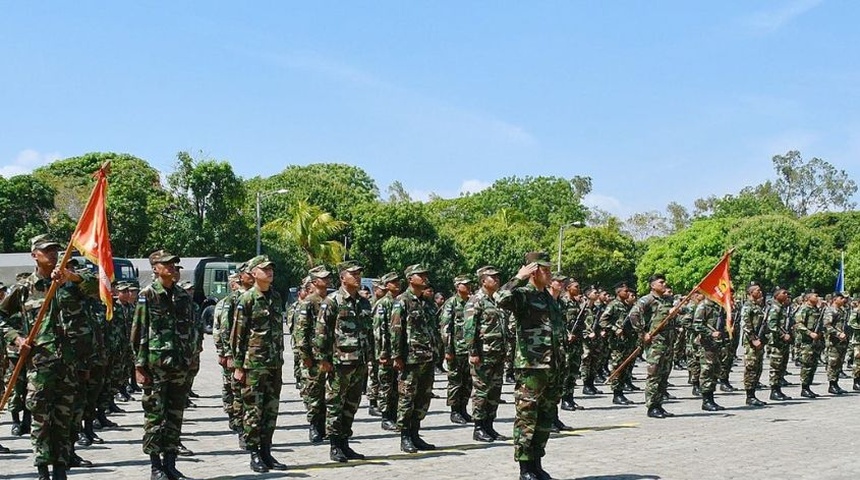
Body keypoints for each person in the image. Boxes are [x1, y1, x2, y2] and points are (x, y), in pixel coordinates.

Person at [0, 235, 98, 479]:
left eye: (55, 250)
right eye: (47, 251)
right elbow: (1, 318)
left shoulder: (71, 282)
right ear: (34, 255)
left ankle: (61, 469)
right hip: (40, 364)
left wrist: (71, 277)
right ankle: (43, 469)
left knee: (66, 419)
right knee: (41, 420)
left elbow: (99, 289)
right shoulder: (24, 288)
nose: (53, 254)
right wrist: (17, 338)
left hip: (70, 363)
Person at [495, 252, 565, 480]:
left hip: (551, 367)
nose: (550, 274)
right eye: (545, 270)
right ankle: (525, 468)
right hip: (531, 367)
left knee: (545, 417)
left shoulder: (548, 298)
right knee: (527, 418)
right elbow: (500, 298)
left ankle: (536, 463)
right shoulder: (523, 295)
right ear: (533, 271)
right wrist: (518, 277)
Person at [131, 250, 195, 480]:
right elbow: (138, 331)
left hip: (179, 365)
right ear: (155, 268)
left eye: (174, 265)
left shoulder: (182, 295)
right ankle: (155, 466)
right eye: (166, 264)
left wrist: (191, 356)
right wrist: (139, 366)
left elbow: (190, 328)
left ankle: (171, 463)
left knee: (175, 416)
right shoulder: (147, 295)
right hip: (156, 366)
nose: (172, 268)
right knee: (155, 418)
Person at [232, 255, 287, 473]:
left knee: (270, 410)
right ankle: (254, 453)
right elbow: (238, 335)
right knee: (253, 410)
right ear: (254, 273)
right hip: (253, 365)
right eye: (264, 269)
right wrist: (238, 366)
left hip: (274, 363)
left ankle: (266, 451)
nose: (269, 272)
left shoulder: (275, 297)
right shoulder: (247, 299)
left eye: (271, 269)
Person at [315, 260, 372, 462]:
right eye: (353, 274)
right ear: (342, 278)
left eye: (359, 274)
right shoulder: (333, 301)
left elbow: (368, 332)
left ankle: (345, 442)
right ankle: (334, 445)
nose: (357, 277)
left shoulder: (364, 302)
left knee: (352, 404)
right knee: (335, 404)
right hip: (339, 363)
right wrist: (323, 359)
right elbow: (322, 332)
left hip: (359, 362)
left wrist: (370, 357)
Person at [391, 264, 437, 453]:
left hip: (427, 357)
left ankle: (416, 433)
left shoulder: (427, 302)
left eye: (426, 275)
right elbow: (396, 330)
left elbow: (433, 330)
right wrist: (397, 356)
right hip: (410, 359)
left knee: (423, 398)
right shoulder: (402, 301)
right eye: (421, 275)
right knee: (407, 398)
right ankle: (405, 436)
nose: (425, 278)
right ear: (410, 279)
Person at [464, 266, 509, 443]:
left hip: (497, 354)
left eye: (498, 278)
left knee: (494, 392)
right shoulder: (476, 301)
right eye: (493, 278)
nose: (497, 280)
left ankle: (489, 425)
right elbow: (469, 330)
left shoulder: (497, 300)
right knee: (481, 392)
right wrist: (473, 352)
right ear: (483, 281)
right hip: (483, 354)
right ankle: (479, 427)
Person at [628, 273, 676, 419]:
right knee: (654, 374)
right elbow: (633, 315)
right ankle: (651, 406)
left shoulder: (668, 299)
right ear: (653, 285)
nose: (664, 284)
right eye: (661, 282)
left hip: (668, 341)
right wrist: (643, 333)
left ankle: (659, 403)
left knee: (664, 374)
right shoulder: (647, 300)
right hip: (656, 342)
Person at [296, 267, 331, 444]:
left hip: (330, 355)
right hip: (313, 356)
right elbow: (301, 332)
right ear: (314, 282)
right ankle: (315, 426)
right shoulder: (308, 303)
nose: (327, 280)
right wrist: (305, 356)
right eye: (322, 278)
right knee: (314, 393)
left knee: (331, 393)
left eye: (328, 277)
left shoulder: (332, 300)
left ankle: (327, 426)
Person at [439, 275, 473, 425]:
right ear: (457, 286)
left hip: (469, 349)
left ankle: (463, 408)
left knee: (468, 381)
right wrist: (448, 350)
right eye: (465, 284)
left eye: (469, 284)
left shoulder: (471, 302)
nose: (468, 286)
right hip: (456, 349)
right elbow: (446, 328)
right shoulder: (451, 303)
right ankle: (454, 411)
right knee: (455, 381)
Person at [372, 272, 401, 431]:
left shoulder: (400, 301)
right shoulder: (383, 304)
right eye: (393, 282)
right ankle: (386, 416)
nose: (397, 284)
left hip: (398, 353)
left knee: (397, 386)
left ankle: (394, 414)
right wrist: (383, 353)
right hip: (387, 352)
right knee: (386, 386)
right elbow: (379, 331)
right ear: (386, 285)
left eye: (398, 281)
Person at [600, 282, 635, 405]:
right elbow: (603, 321)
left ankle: (621, 390)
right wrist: (615, 329)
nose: (628, 293)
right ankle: (616, 394)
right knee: (618, 367)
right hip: (617, 343)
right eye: (625, 291)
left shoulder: (627, 306)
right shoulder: (613, 305)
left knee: (625, 368)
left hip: (627, 341)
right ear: (618, 292)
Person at [692, 297, 726, 411]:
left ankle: (711, 399)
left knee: (714, 371)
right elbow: (697, 325)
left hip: (716, 345)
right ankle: (706, 401)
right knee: (707, 372)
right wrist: (711, 333)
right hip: (706, 345)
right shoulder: (703, 306)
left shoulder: (718, 307)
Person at [740, 282, 768, 407]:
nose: (760, 292)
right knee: (751, 368)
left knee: (758, 367)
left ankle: (753, 393)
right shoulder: (747, 306)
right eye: (757, 290)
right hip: (751, 342)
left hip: (759, 340)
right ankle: (749, 396)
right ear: (751, 293)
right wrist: (753, 339)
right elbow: (746, 324)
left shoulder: (758, 306)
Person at [793, 290, 824, 398]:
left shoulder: (816, 309)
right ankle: (804, 388)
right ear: (808, 298)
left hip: (815, 342)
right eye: (816, 296)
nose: (818, 297)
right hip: (806, 342)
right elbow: (798, 324)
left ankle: (808, 386)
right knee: (806, 365)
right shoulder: (804, 309)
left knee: (813, 365)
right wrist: (810, 333)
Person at [823, 292, 850, 395]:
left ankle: (836, 383)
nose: (844, 300)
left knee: (839, 362)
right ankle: (832, 384)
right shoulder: (831, 310)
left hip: (841, 342)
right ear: (835, 299)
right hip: (833, 341)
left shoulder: (842, 310)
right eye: (841, 298)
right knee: (833, 363)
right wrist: (838, 333)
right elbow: (827, 326)